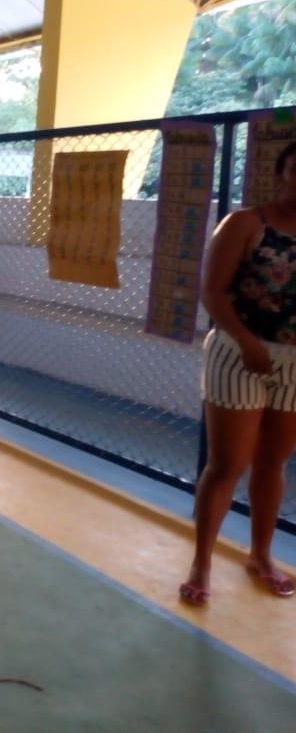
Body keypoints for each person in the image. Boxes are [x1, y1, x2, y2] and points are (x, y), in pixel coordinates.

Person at [180, 141, 296, 606]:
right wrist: (247, 343)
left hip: (293, 362)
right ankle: (201, 562)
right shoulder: (247, 223)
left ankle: (260, 555)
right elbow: (213, 291)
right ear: (282, 173)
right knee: (228, 463)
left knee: (273, 463)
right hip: (238, 352)